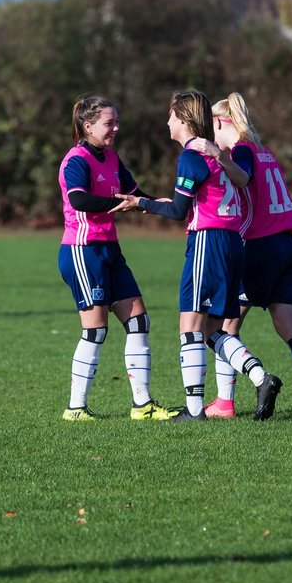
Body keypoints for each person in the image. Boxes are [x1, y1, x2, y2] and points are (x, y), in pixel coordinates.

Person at [115, 89, 283, 421]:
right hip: (232, 242)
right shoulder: (218, 154)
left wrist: (142, 203)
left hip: (208, 242)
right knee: (213, 330)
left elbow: (179, 211)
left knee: (189, 326)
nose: (167, 122)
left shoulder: (192, 156)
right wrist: (150, 203)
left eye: (170, 116)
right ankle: (261, 378)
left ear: (182, 120)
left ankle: (194, 410)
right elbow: (197, 199)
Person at [199, 92, 292, 420]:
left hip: (260, 248)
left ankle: (225, 401)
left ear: (222, 123)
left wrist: (218, 156)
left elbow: (242, 175)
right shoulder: (265, 152)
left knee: (218, 325)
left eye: (212, 129)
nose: (211, 137)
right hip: (287, 248)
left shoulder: (243, 150)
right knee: (288, 325)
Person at [55, 95, 179, 421]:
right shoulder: (76, 160)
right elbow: (80, 200)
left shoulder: (111, 157)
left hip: (110, 249)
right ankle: (76, 408)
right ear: (88, 126)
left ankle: (143, 406)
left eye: (116, 122)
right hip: (84, 252)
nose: (116, 128)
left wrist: (161, 205)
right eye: (109, 123)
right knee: (96, 331)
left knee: (139, 320)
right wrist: (119, 202)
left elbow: (134, 195)